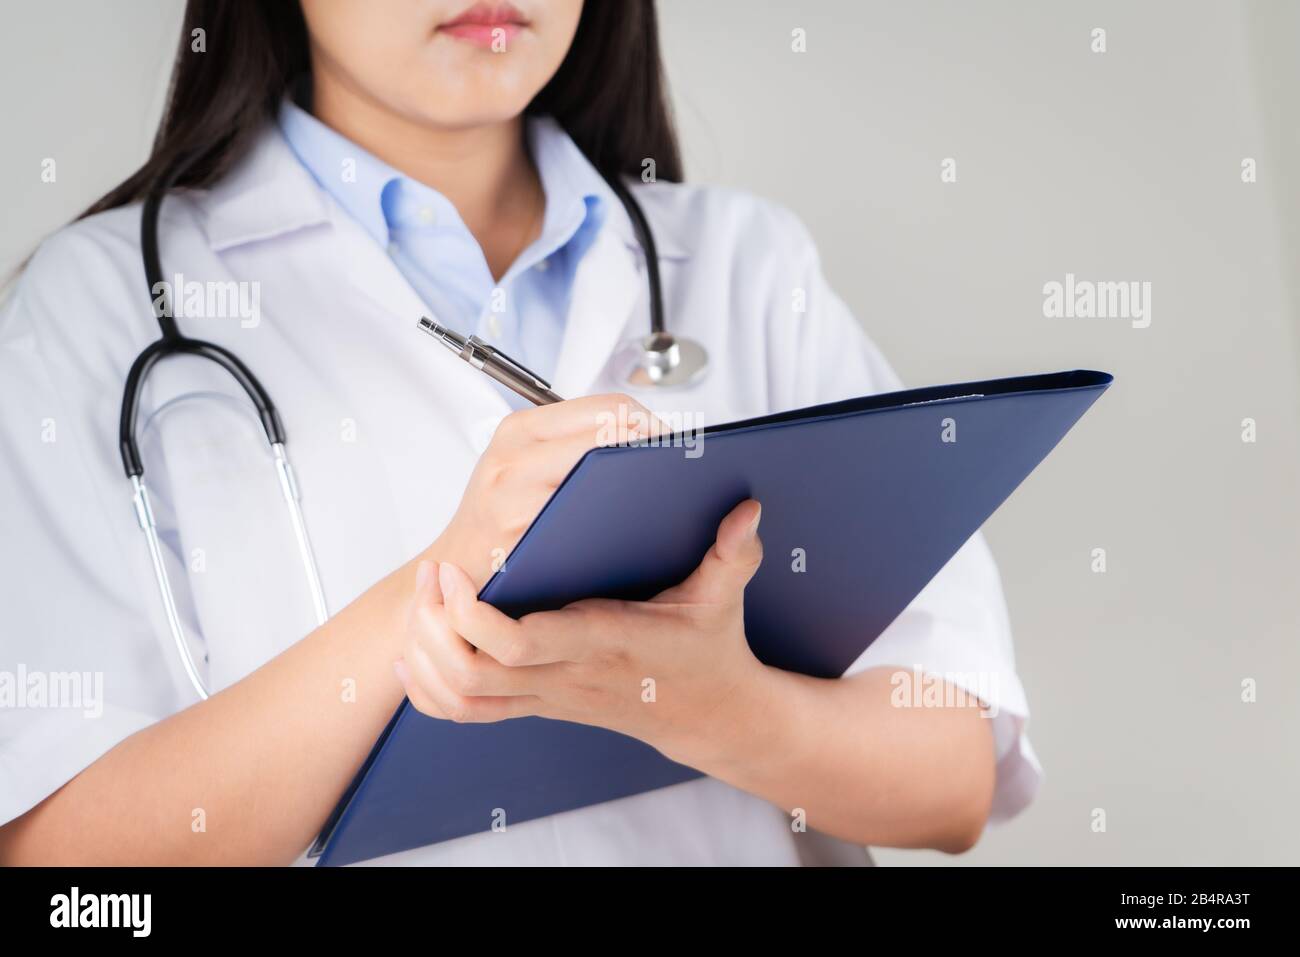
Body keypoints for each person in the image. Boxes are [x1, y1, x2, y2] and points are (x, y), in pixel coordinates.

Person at [0, 0, 1037, 865]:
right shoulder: (99, 308)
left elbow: (951, 775)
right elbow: (62, 865)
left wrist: (718, 707)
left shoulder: (746, 266)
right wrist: (432, 598)